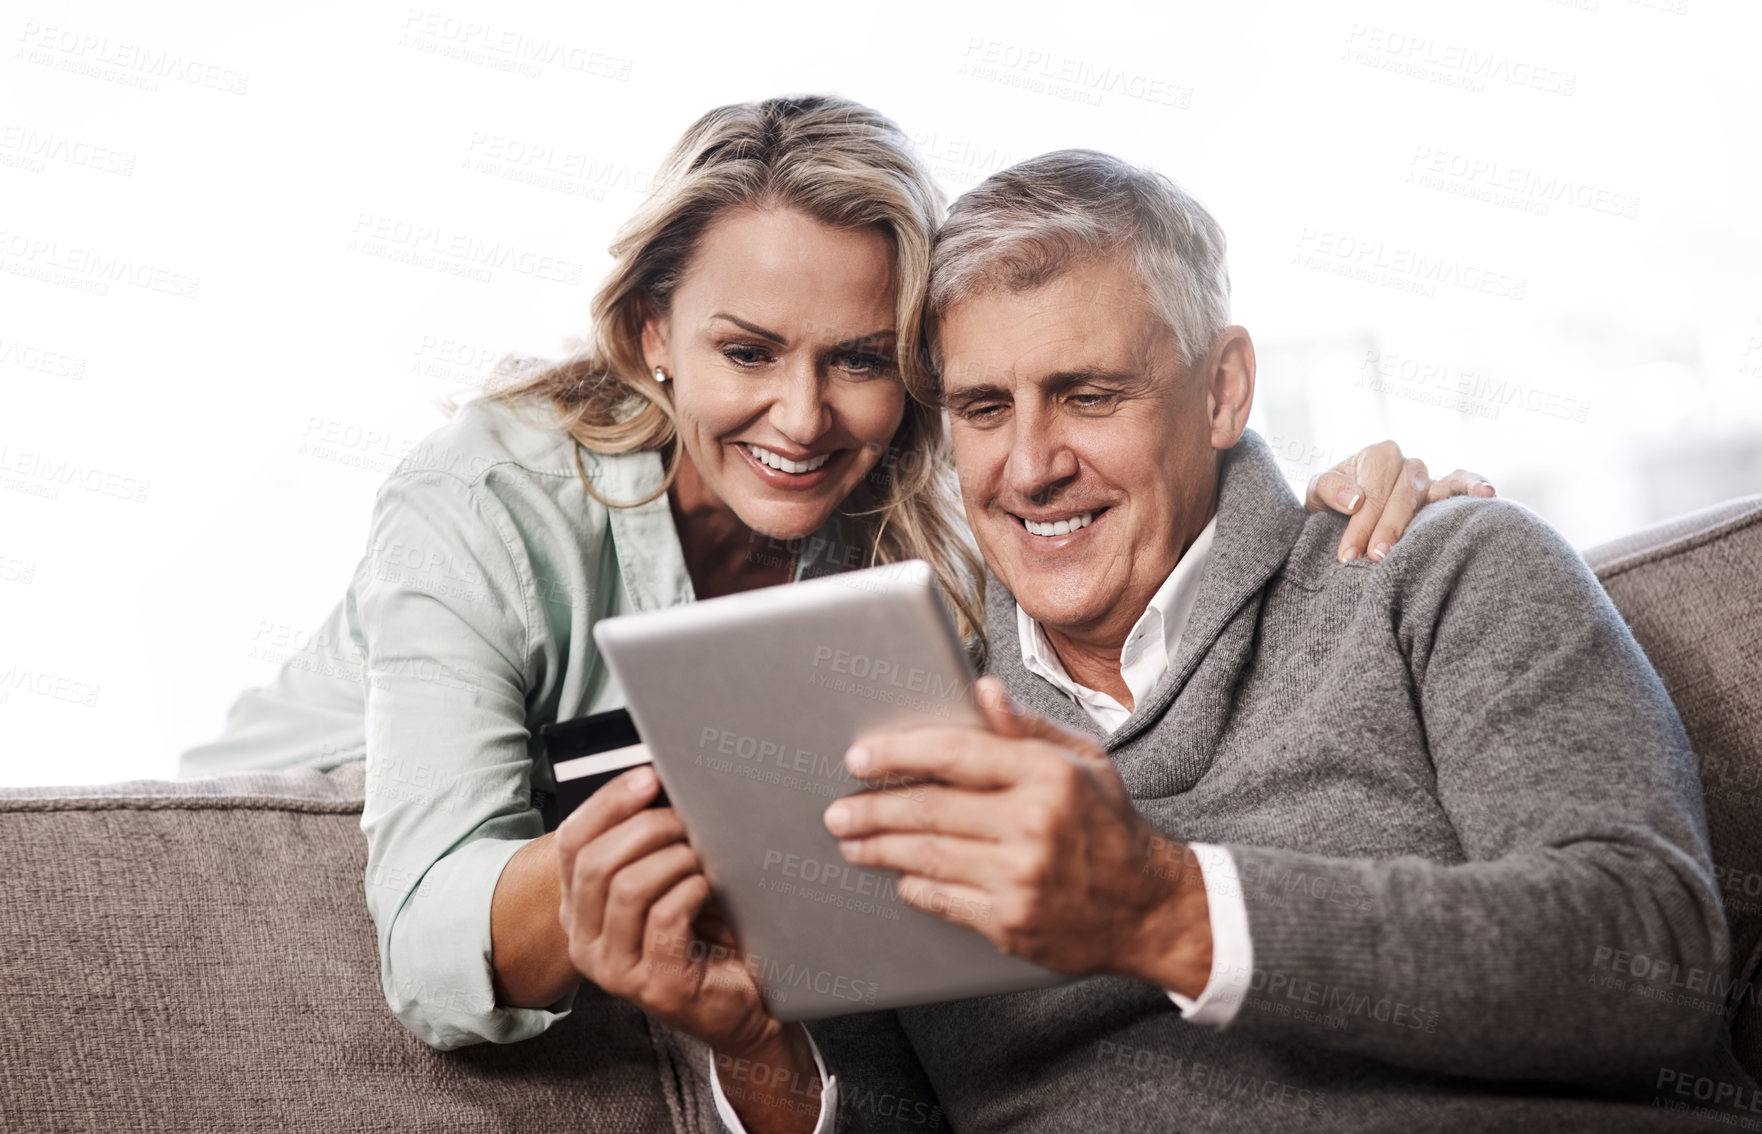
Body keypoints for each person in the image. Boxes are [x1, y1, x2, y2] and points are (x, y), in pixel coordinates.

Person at [178, 98, 1485, 1059]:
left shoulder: (906, 499)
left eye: (857, 360)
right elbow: (427, 934)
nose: (802, 419)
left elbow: (1110, 484)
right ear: (652, 335)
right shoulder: (477, 500)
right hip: (273, 861)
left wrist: (1345, 492)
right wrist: (621, 876)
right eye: (747, 352)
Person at [562, 150, 1750, 1133]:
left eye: (1087, 395)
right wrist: (758, 1046)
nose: (1029, 468)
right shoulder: (896, 710)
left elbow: (1651, 961)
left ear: (1225, 390)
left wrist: (1163, 909)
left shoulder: (1439, 571)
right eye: (982, 410)